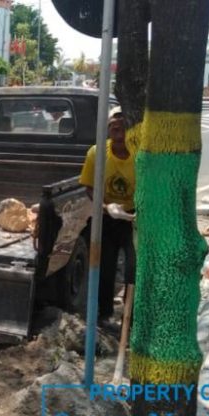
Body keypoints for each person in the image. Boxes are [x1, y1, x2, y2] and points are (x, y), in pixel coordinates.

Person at [78, 107, 136, 321]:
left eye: (123, 127)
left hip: (134, 218)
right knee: (105, 267)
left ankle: (131, 318)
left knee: (133, 268)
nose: (119, 134)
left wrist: (137, 212)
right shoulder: (97, 153)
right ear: (108, 130)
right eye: (114, 127)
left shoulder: (140, 155)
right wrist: (106, 207)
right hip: (108, 217)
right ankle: (104, 315)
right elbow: (89, 187)